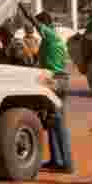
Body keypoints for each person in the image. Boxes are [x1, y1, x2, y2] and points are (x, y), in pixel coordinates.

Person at [37, 11, 75, 174]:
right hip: (59, 80)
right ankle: (57, 160)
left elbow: (36, 24)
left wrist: (22, 7)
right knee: (53, 122)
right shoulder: (52, 38)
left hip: (56, 81)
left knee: (58, 123)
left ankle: (67, 163)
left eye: (39, 27)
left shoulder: (50, 35)